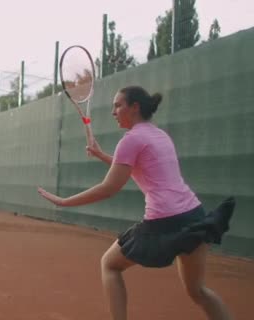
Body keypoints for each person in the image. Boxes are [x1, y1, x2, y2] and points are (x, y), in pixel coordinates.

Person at [37, 86, 235, 320]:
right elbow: (138, 169)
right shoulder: (159, 135)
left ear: (135, 107)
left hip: (164, 221)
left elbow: (110, 187)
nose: (113, 112)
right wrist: (102, 156)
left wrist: (64, 201)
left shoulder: (131, 140)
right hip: (194, 215)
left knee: (110, 265)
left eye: (118, 105)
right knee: (198, 290)